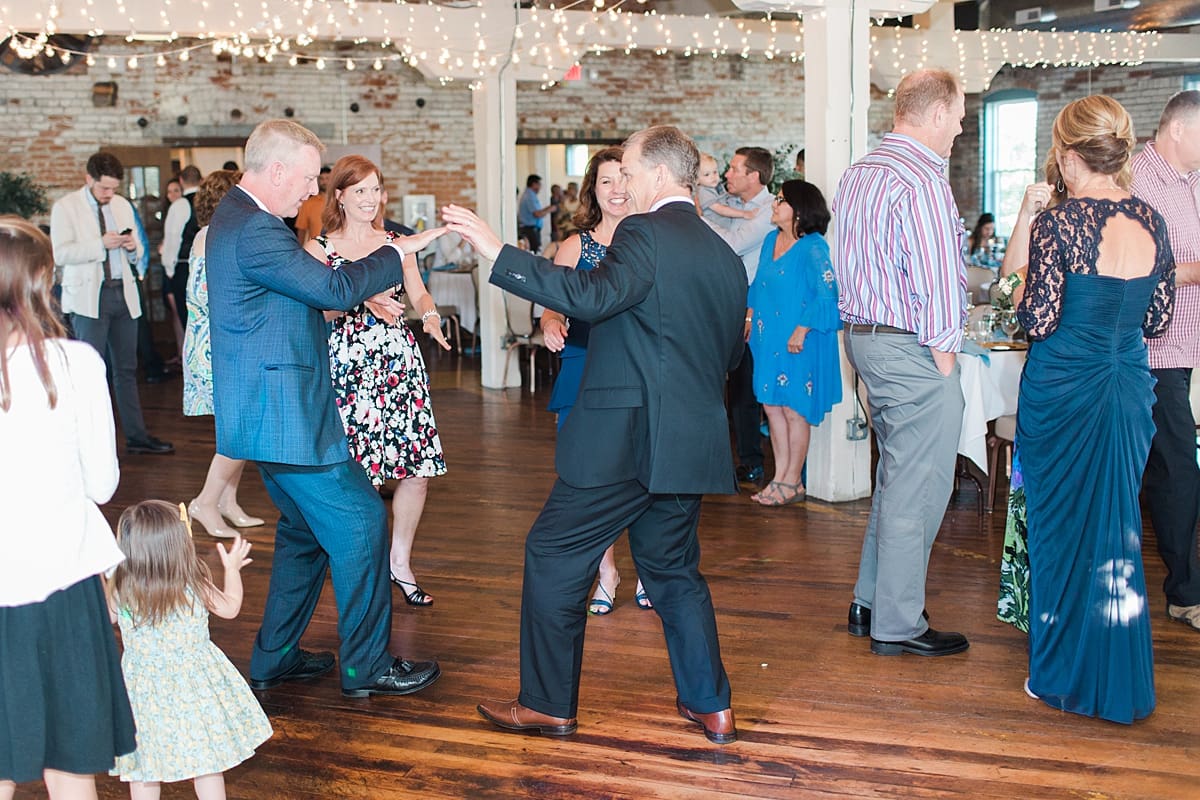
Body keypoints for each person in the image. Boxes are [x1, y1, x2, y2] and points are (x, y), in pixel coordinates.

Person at [445, 124, 747, 745]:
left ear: (660, 176)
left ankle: (547, 705)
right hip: (689, 439)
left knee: (553, 554)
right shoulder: (722, 253)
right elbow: (728, 356)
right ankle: (712, 705)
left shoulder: (643, 232)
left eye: (630, 174)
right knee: (673, 570)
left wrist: (499, 252)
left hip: (624, 440)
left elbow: (592, 294)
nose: (624, 187)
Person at [206, 119, 443, 698]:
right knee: (363, 522)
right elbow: (334, 291)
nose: (311, 191)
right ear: (278, 169)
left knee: (303, 536)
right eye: (309, 178)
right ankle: (365, 666)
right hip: (288, 419)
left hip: (268, 414)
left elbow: (306, 299)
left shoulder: (236, 220)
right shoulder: (257, 229)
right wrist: (398, 251)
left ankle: (274, 658)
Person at [1017, 95, 1174, 724]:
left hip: (1065, 391)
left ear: (1066, 151)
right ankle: (1120, 677)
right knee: (1117, 532)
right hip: (1130, 389)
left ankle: (1059, 677)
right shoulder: (1153, 220)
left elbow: (1036, 319)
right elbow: (1158, 319)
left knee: (1058, 536)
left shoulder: (1058, 224)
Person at [832, 68, 970, 657]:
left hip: (866, 340)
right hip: (911, 347)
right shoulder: (922, 180)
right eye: (959, 118)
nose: (960, 129)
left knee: (896, 478)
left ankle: (870, 601)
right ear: (936, 113)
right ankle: (897, 622)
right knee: (919, 486)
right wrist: (945, 358)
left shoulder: (859, 173)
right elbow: (939, 282)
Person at [0, 216, 136, 800]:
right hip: (64, 578)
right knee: (70, 754)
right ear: (42, 279)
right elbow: (103, 485)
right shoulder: (76, 363)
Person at [304, 155, 450, 607]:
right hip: (349, 367)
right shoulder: (318, 249)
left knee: (417, 469)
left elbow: (418, 288)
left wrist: (428, 314)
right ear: (341, 196)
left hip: (397, 360)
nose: (370, 199)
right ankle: (357, 561)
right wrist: (361, 298)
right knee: (358, 473)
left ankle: (400, 561)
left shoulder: (396, 242)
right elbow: (318, 309)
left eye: (376, 190)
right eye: (360, 191)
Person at [539, 146, 649, 616]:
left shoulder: (651, 240)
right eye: (606, 181)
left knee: (644, 474)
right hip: (584, 368)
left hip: (639, 371)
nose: (617, 189)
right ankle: (607, 571)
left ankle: (649, 569)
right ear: (594, 191)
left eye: (624, 178)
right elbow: (551, 297)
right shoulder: (576, 245)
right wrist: (549, 321)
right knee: (590, 478)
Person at [108, 501, 273, 799]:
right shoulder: (194, 581)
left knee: (144, 766)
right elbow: (231, 607)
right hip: (195, 688)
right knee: (207, 762)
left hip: (143, 694)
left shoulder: (122, 588)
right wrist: (232, 570)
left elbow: (104, 618)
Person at [1130, 89, 1200, 634]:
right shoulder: (1138, 178)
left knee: (1162, 468)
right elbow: (1131, 269)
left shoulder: (1193, 182)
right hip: (1151, 348)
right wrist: (1193, 270)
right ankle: (1184, 592)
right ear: (1178, 129)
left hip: (1187, 346)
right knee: (1179, 469)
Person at [50, 151, 174, 455]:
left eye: (113, 188)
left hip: (124, 293)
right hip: (89, 297)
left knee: (127, 369)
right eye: (104, 188)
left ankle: (137, 436)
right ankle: (88, 443)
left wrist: (133, 248)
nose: (109, 194)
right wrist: (99, 245)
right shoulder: (66, 207)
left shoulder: (121, 205)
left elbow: (140, 252)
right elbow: (60, 254)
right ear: (88, 179)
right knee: (91, 371)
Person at [747, 180, 842, 507]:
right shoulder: (770, 240)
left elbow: (828, 294)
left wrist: (801, 330)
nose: (774, 204)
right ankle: (779, 477)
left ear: (799, 210)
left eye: (781, 200)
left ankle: (792, 480)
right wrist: (748, 318)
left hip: (798, 339)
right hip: (767, 335)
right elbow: (758, 284)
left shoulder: (814, 247)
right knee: (772, 406)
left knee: (794, 409)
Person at [183, 169, 266, 540]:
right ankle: (205, 501)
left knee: (236, 427)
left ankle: (227, 502)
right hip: (214, 346)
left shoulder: (214, 234)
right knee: (240, 429)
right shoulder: (211, 236)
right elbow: (206, 296)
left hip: (221, 342)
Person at [994, 180, 1054, 634]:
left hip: (1054, 381)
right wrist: (1024, 217)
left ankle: (1048, 613)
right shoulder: (1138, 218)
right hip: (1111, 378)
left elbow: (1009, 295)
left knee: (1046, 504)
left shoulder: (1059, 227)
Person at [711, 146, 775, 488]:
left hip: (754, 306)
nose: (726, 175)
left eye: (734, 169)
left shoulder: (767, 210)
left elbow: (731, 245)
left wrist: (696, 218)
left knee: (746, 388)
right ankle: (726, 458)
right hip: (724, 302)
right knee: (727, 385)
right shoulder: (731, 205)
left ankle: (752, 461)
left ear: (754, 176)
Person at [160, 165, 202, 331]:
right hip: (211, 267)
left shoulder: (179, 205)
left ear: (181, 181)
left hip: (185, 266)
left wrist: (169, 269)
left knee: (189, 322)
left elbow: (173, 238)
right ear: (200, 180)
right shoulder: (210, 201)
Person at [696, 153, 756, 228]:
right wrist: (743, 214)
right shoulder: (703, 192)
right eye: (706, 175)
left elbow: (726, 197)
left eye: (715, 172)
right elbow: (721, 210)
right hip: (715, 231)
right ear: (696, 180)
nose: (713, 177)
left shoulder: (716, 186)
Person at [517, 174, 557, 253]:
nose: (540, 187)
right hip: (530, 230)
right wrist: (550, 210)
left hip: (532, 229)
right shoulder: (529, 196)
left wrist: (547, 208)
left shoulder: (531, 195)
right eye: (539, 184)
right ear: (534, 184)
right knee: (533, 252)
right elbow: (537, 214)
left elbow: (538, 211)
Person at [294, 165, 330, 245]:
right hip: (317, 249)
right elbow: (301, 230)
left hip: (340, 250)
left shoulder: (340, 201)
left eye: (327, 178)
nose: (324, 182)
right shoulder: (308, 203)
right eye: (322, 179)